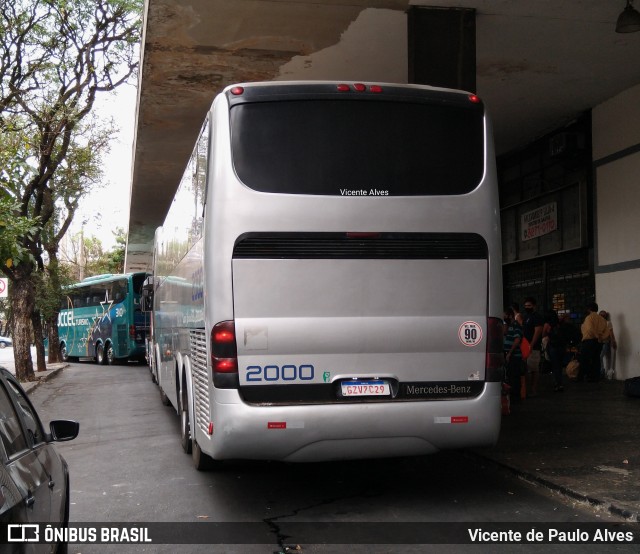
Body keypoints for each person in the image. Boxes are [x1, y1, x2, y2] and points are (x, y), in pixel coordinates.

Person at [579, 302, 610, 382]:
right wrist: (601, 337)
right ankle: (595, 377)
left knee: (584, 359)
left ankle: (581, 377)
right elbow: (607, 332)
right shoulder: (602, 319)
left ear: (589, 309)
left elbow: (589, 329)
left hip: (589, 341)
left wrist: (596, 335)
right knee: (596, 359)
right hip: (599, 342)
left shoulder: (589, 318)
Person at [522, 297, 543, 397]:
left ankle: (533, 389)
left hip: (533, 347)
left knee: (533, 368)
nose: (527, 307)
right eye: (526, 306)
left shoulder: (536, 317)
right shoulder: (526, 317)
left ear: (534, 306)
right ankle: (527, 389)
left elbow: (538, 331)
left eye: (529, 305)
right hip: (525, 346)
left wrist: (532, 344)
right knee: (527, 369)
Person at [503, 308, 525, 403]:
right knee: (511, 376)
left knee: (514, 377)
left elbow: (517, 339)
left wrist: (510, 352)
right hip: (510, 355)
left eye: (505, 315)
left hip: (514, 356)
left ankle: (516, 398)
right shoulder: (510, 326)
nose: (504, 317)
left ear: (510, 315)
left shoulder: (516, 325)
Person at [542, 309, 564, 392]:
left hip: (553, 346)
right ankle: (560, 383)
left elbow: (543, 335)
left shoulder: (547, 324)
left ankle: (556, 384)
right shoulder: (559, 323)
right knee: (560, 366)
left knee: (555, 366)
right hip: (561, 346)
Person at [599, 310, 617, 379]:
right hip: (599, 342)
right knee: (602, 357)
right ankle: (602, 372)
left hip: (605, 342)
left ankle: (602, 372)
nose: (602, 316)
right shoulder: (598, 323)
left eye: (603, 315)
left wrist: (613, 341)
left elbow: (611, 333)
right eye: (601, 315)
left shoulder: (608, 323)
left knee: (600, 356)